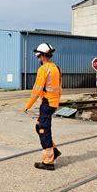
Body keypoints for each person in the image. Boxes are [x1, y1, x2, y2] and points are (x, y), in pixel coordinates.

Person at [24, 43, 62, 171]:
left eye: (39, 56)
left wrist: (28, 105)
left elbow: (37, 89)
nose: (39, 59)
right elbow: (59, 88)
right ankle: (54, 151)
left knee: (44, 131)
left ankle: (48, 162)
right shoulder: (56, 68)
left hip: (47, 104)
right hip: (53, 103)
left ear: (42, 55)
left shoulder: (43, 69)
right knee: (39, 126)